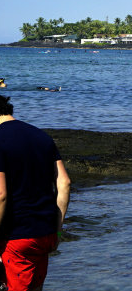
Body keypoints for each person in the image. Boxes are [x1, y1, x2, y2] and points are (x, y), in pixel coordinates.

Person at [0, 95, 71, 291]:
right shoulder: (42, 137)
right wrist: (57, 230)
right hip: (46, 233)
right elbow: (64, 183)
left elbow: (1, 195)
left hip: (17, 236)